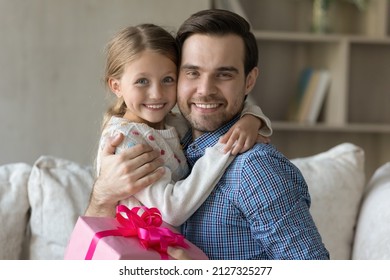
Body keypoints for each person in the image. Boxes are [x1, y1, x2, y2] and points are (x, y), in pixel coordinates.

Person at [87, 9, 330, 260]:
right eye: (192, 72)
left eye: (224, 74)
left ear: (249, 81)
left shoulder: (255, 169)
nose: (205, 90)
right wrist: (103, 194)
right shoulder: (171, 140)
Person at [92, 23, 272, 228]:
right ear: (116, 86)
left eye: (168, 79)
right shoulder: (126, 140)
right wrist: (226, 148)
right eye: (142, 81)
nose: (157, 93)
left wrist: (250, 120)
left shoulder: (171, 124)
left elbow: (241, 105)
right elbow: (171, 208)